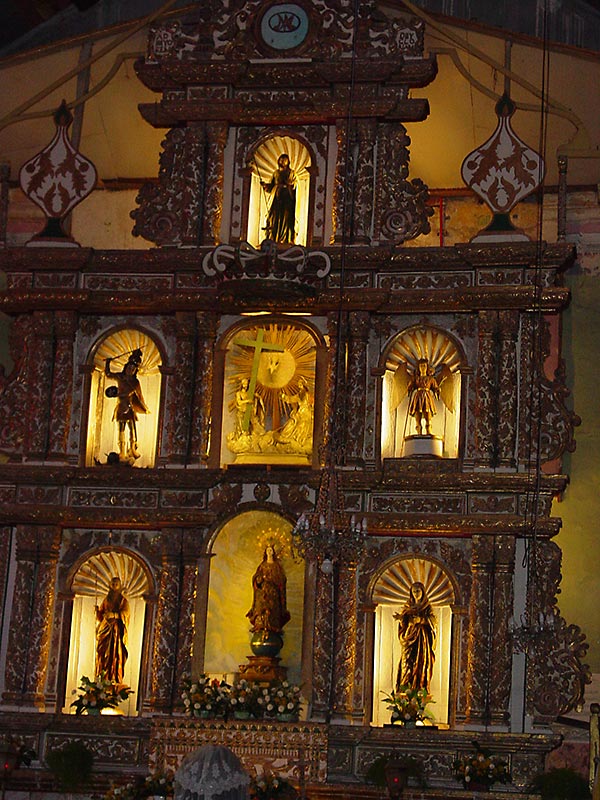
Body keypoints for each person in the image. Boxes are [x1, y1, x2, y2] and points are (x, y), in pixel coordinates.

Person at [105, 348, 149, 461]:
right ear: (126, 367)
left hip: (130, 407)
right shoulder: (120, 377)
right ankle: (122, 452)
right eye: (129, 368)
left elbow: (135, 393)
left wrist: (142, 406)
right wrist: (107, 363)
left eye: (133, 369)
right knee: (121, 429)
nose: (131, 370)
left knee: (132, 429)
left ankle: (132, 449)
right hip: (121, 407)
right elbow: (108, 374)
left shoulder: (135, 382)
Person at [394, 581, 436, 692]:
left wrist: (421, 620)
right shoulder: (408, 607)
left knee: (420, 663)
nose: (416, 593)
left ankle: (419, 688)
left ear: (423, 592)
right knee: (406, 662)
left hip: (421, 639)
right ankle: (405, 689)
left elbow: (433, 621)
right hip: (409, 637)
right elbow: (404, 623)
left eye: (418, 591)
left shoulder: (427, 607)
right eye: (414, 591)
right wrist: (401, 618)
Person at [246, 544, 290, 634]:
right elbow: (256, 578)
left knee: (272, 610)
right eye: (268, 550)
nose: (269, 552)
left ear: (273, 552)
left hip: (273, 593)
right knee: (260, 609)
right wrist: (259, 579)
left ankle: (273, 626)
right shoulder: (262, 566)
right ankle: (260, 625)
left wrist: (272, 579)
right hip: (263, 594)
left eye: (271, 550)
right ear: (265, 552)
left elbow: (282, 580)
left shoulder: (277, 567)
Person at [95, 576, 129, 685]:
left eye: (116, 584)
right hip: (105, 628)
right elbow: (101, 616)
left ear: (119, 586)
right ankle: (102, 677)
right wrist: (98, 612)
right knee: (102, 652)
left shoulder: (123, 601)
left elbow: (126, 613)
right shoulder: (107, 599)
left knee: (114, 654)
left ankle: (114, 677)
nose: (114, 586)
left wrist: (113, 615)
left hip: (115, 631)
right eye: (113, 584)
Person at [261, 153, 297, 244]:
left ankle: (286, 239)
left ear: (288, 161)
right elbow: (271, 185)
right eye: (281, 159)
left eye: (285, 160)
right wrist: (265, 186)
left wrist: (287, 185)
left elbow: (294, 185)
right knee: (275, 218)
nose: (283, 161)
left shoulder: (292, 173)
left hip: (287, 199)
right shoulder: (276, 173)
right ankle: (274, 238)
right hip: (277, 198)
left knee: (286, 219)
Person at [276, 376, 314, 453]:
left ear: (304, 386)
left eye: (301, 385)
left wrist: (312, 411)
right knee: (293, 424)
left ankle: (301, 441)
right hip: (300, 413)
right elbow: (291, 399)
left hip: (306, 413)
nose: (300, 387)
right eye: (299, 385)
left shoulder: (308, 395)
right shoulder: (299, 395)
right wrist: (283, 396)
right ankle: (294, 440)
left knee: (303, 427)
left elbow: (312, 404)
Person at [407, 358, 440, 435]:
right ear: (418, 368)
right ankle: (419, 432)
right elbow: (410, 387)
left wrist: (438, 390)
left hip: (427, 398)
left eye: (424, 366)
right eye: (421, 366)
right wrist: (409, 388)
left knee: (428, 416)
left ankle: (429, 431)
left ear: (427, 367)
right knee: (417, 416)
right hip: (418, 398)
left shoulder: (430, 379)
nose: (422, 368)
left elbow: (435, 387)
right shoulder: (416, 378)